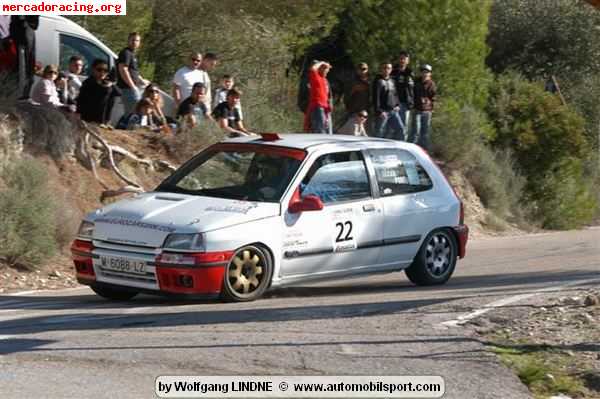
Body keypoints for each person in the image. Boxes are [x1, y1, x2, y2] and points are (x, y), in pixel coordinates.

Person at [77, 59, 121, 124]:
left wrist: (111, 83)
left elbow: (118, 93)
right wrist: (106, 87)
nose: (102, 73)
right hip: (89, 119)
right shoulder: (88, 83)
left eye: (105, 71)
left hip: (103, 119)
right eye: (99, 70)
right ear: (93, 69)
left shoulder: (106, 83)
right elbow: (83, 101)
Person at [117, 32, 149, 115]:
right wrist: (133, 87)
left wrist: (142, 80)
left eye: (137, 40)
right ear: (128, 41)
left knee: (135, 114)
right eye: (133, 40)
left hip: (133, 88)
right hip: (127, 89)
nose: (135, 42)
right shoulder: (126, 53)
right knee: (131, 115)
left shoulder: (132, 54)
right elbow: (123, 70)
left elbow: (133, 71)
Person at [372, 62, 403, 140]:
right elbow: (376, 98)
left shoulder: (392, 81)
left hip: (393, 111)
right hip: (383, 112)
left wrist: (397, 105)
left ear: (391, 70)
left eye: (388, 68)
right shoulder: (378, 81)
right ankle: (376, 149)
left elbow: (396, 94)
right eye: (384, 68)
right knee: (379, 133)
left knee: (400, 129)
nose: (386, 70)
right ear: (381, 69)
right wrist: (379, 111)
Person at [410, 64, 437, 150]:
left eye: (427, 72)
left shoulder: (432, 84)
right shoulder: (416, 82)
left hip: (427, 111)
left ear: (430, 74)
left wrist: (432, 107)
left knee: (425, 132)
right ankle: (412, 148)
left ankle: (423, 150)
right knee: (415, 130)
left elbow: (434, 97)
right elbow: (411, 93)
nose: (425, 74)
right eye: (423, 72)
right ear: (421, 73)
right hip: (417, 109)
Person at [304, 60, 332, 134]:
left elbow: (328, 96)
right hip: (318, 107)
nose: (327, 71)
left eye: (328, 69)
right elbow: (313, 69)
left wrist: (329, 107)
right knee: (320, 130)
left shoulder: (325, 80)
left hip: (325, 108)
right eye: (325, 68)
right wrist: (321, 63)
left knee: (327, 131)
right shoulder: (315, 77)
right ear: (320, 68)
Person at [391, 50, 414, 138]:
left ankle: (401, 146)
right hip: (393, 103)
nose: (402, 60)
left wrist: (411, 102)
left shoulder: (410, 73)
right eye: (401, 58)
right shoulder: (392, 72)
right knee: (392, 127)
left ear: (408, 61)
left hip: (405, 103)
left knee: (404, 128)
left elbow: (412, 90)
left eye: (404, 59)